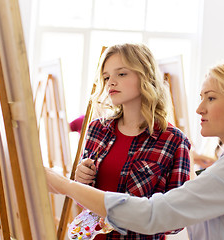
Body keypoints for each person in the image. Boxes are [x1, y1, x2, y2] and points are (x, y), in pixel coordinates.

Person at [46, 57, 224, 239]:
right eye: (202, 97)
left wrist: (63, 185)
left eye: (211, 98)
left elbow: (152, 214)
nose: (199, 109)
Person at [67, 43, 191, 240]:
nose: (111, 82)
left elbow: (177, 220)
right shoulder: (96, 130)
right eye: (106, 77)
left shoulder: (174, 140)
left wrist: (135, 217)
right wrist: (81, 181)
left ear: (145, 76)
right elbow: (85, 204)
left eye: (121, 74)